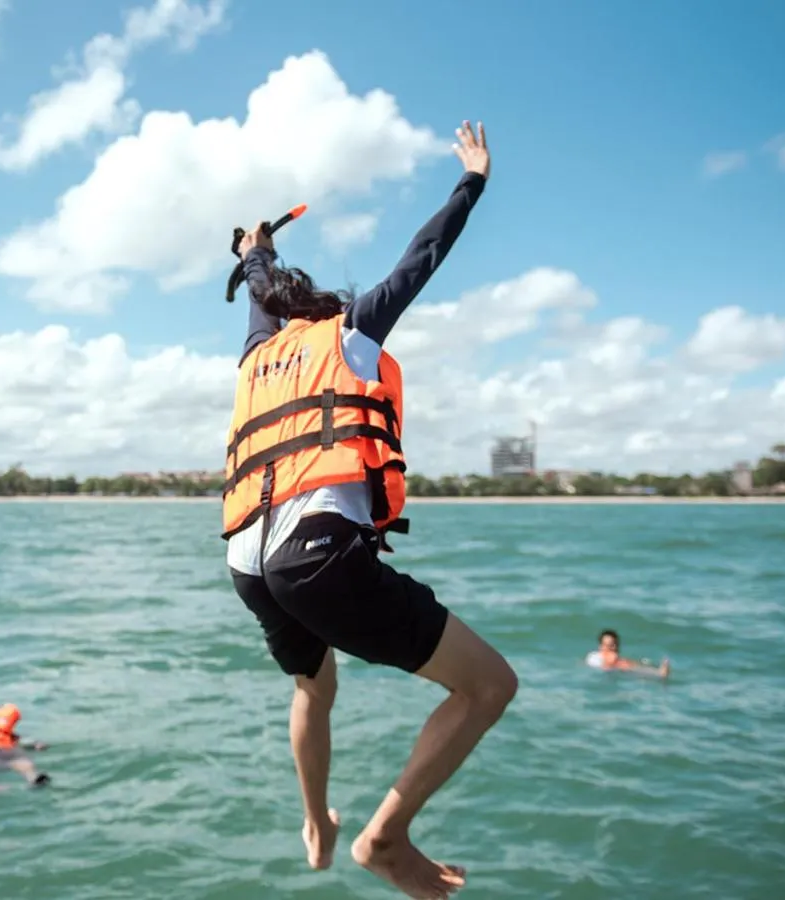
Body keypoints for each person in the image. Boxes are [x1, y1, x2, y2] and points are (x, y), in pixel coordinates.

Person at [221, 121, 518, 899]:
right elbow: (421, 257)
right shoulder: (349, 334)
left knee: (313, 688)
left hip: (247, 559)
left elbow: (259, 299)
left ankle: (315, 819)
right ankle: (384, 839)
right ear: (329, 307)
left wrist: (256, 252)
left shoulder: (259, 354)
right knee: (488, 687)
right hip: (314, 551)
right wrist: (472, 182)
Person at [586, 629, 670, 678]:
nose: (614, 648)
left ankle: (657, 672)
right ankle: (658, 673)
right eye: (610, 645)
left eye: (615, 644)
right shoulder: (595, 657)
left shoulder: (619, 660)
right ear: (601, 646)